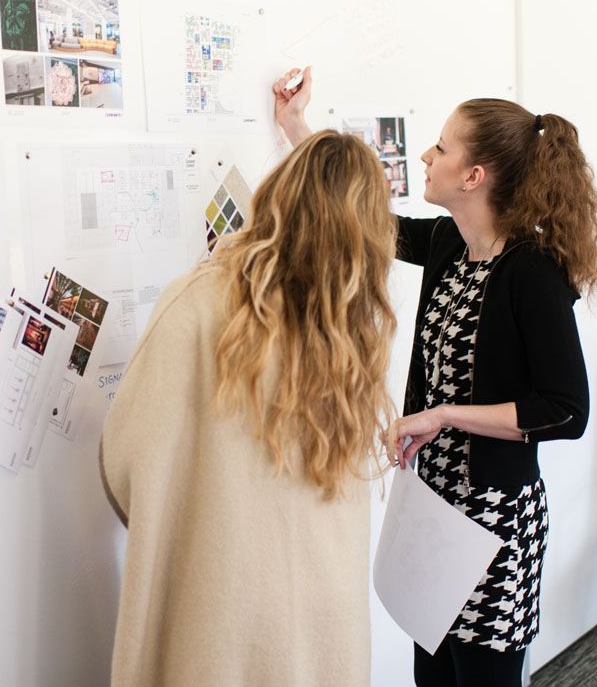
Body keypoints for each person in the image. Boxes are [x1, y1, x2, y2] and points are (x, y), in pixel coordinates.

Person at [274, 67, 597, 687]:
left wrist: (446, 415)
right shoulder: (451, 245)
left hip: (494, 528)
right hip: (434, 513)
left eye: (442, 147)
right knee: (434, 677)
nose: (426, 155)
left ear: (474, 176)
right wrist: (297, 127)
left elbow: (566, 410)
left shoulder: (531, 274)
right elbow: (360, 216)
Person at [100, 129, 398, 686]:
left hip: (224, 601)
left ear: (277, 195)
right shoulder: (357, 328)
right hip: (324, 606)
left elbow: (126, 454)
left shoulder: (201, 301)